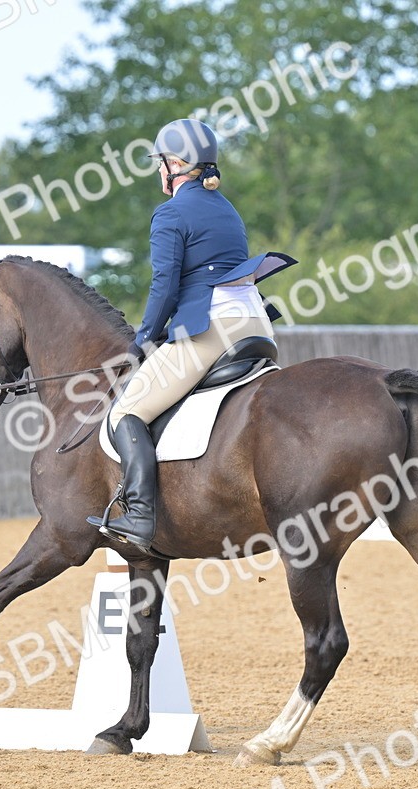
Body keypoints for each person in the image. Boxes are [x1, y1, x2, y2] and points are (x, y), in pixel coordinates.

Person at [87, 119, 293, 556]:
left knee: (128, 412)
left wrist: (142, 339)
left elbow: (165, 284)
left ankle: (140, 515)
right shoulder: (226, 207)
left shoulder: (171, 213)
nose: (158, 171)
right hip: (255, 323)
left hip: (211, 328)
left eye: (160, 162)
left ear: (176, 164)